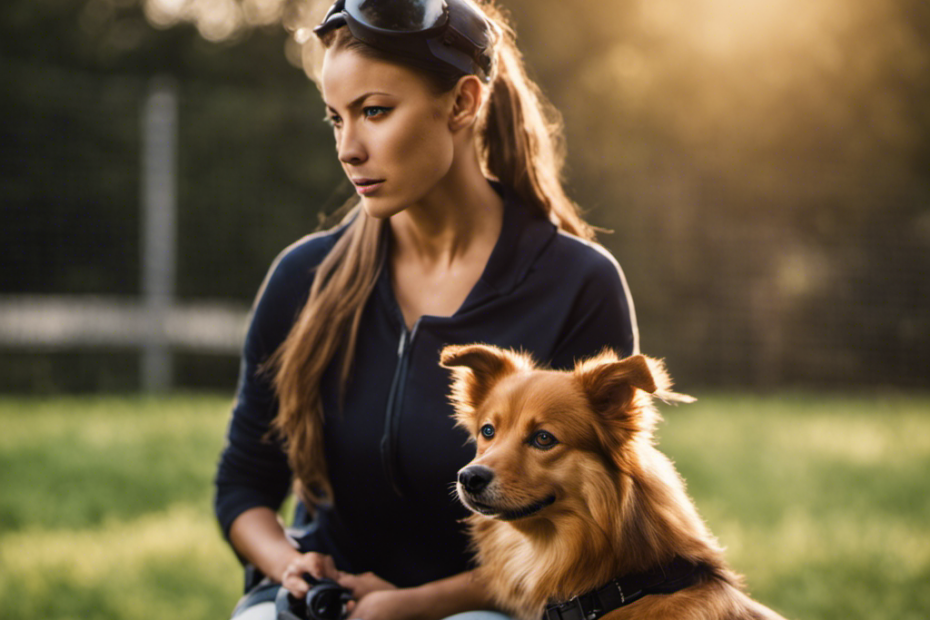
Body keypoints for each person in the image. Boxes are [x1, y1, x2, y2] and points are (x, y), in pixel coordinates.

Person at [213, 1, 639, 619]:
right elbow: (244, 486)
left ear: (463, 103)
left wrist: (410, 607)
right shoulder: (301, 279)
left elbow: (599, 527)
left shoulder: (578, 284)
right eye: (335, 119)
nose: (349, 148)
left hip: (490, 609)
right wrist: (290, 567)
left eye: (375, 112)